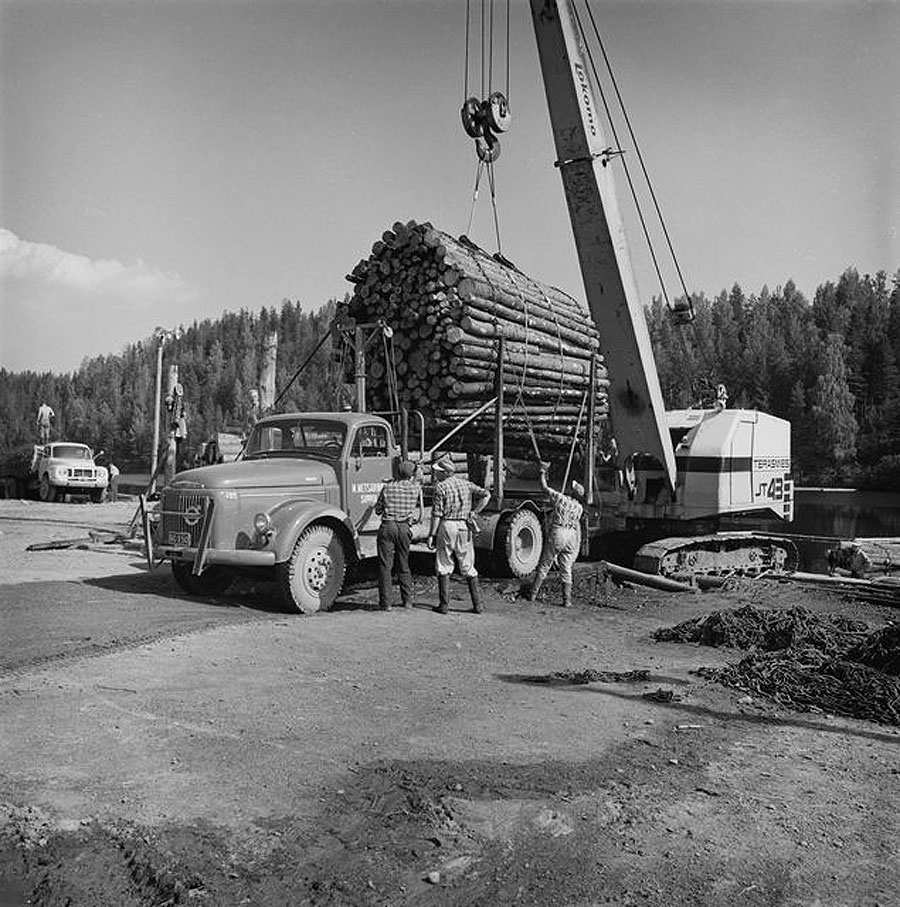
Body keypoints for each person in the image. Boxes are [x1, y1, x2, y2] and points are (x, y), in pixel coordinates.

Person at [427, 454, 490, 614]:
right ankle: (478, 604)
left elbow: (436, 514)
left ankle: (444, 605)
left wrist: (431, 535)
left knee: (444, 563)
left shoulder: (441, 487)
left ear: (445, 473)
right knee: (468, 564)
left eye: (438, 471)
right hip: (463, 525)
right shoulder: (465, 484)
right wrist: (475, 512)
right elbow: (486, 494)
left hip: (447, 525)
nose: (436, 474)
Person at [527, 463, 585, 608]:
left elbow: (544, 488)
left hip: (559, 532)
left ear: (571, 491)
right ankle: (567, 600)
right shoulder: (579, 508)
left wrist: (542, 473)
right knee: (566, 568)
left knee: (546, 563)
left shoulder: (561, 499)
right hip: (571, 535)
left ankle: (533, 594)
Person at [374, 459, 423, 610]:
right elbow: (418, 478)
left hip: (388, 527)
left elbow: (378, 510)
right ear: (411, 475)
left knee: (385, 566)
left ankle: (385, 603)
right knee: (403, 564)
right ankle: (407, 601)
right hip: (403, 529)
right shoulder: (416, 488)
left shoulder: (387, 488)